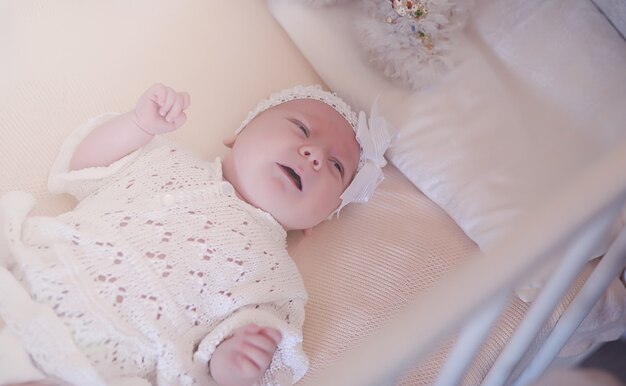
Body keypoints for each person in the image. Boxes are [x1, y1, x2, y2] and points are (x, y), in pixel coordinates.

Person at [0, 83, 393, 386]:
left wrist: (235, 362)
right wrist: (138, 125)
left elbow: (237, 366)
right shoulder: (164, 157)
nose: (314, 155)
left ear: (318, 221)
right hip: (33, 273)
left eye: (337, 167)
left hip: (100, 361)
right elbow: (83, 167)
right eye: (302, 128)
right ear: (238, 135)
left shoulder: (277, 280)